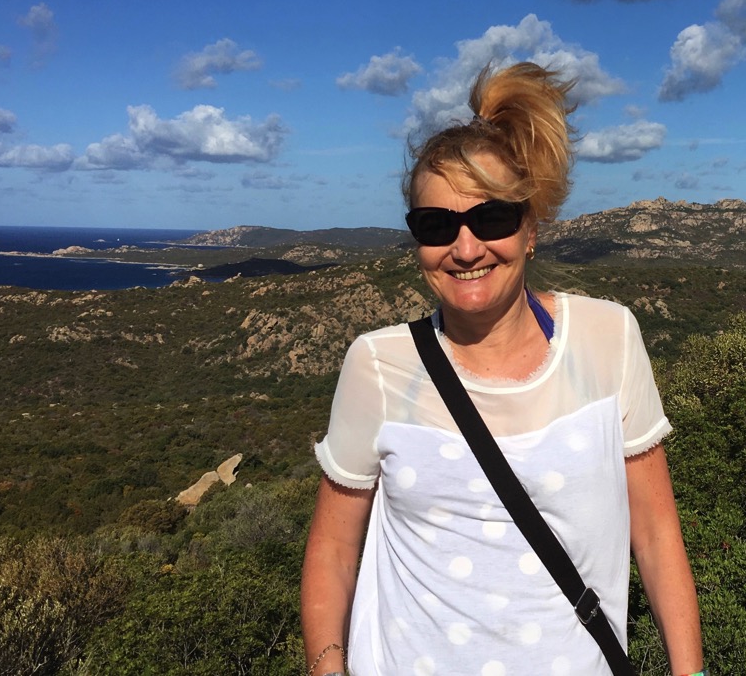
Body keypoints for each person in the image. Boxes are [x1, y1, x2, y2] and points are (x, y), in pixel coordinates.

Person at [300, 61, 703, 675]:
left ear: (530, 228)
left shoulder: (609, 338)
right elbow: (332, 548)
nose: (465, 248)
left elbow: (655, 530)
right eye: (437, 226)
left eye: (490, 219)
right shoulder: (378, 365)